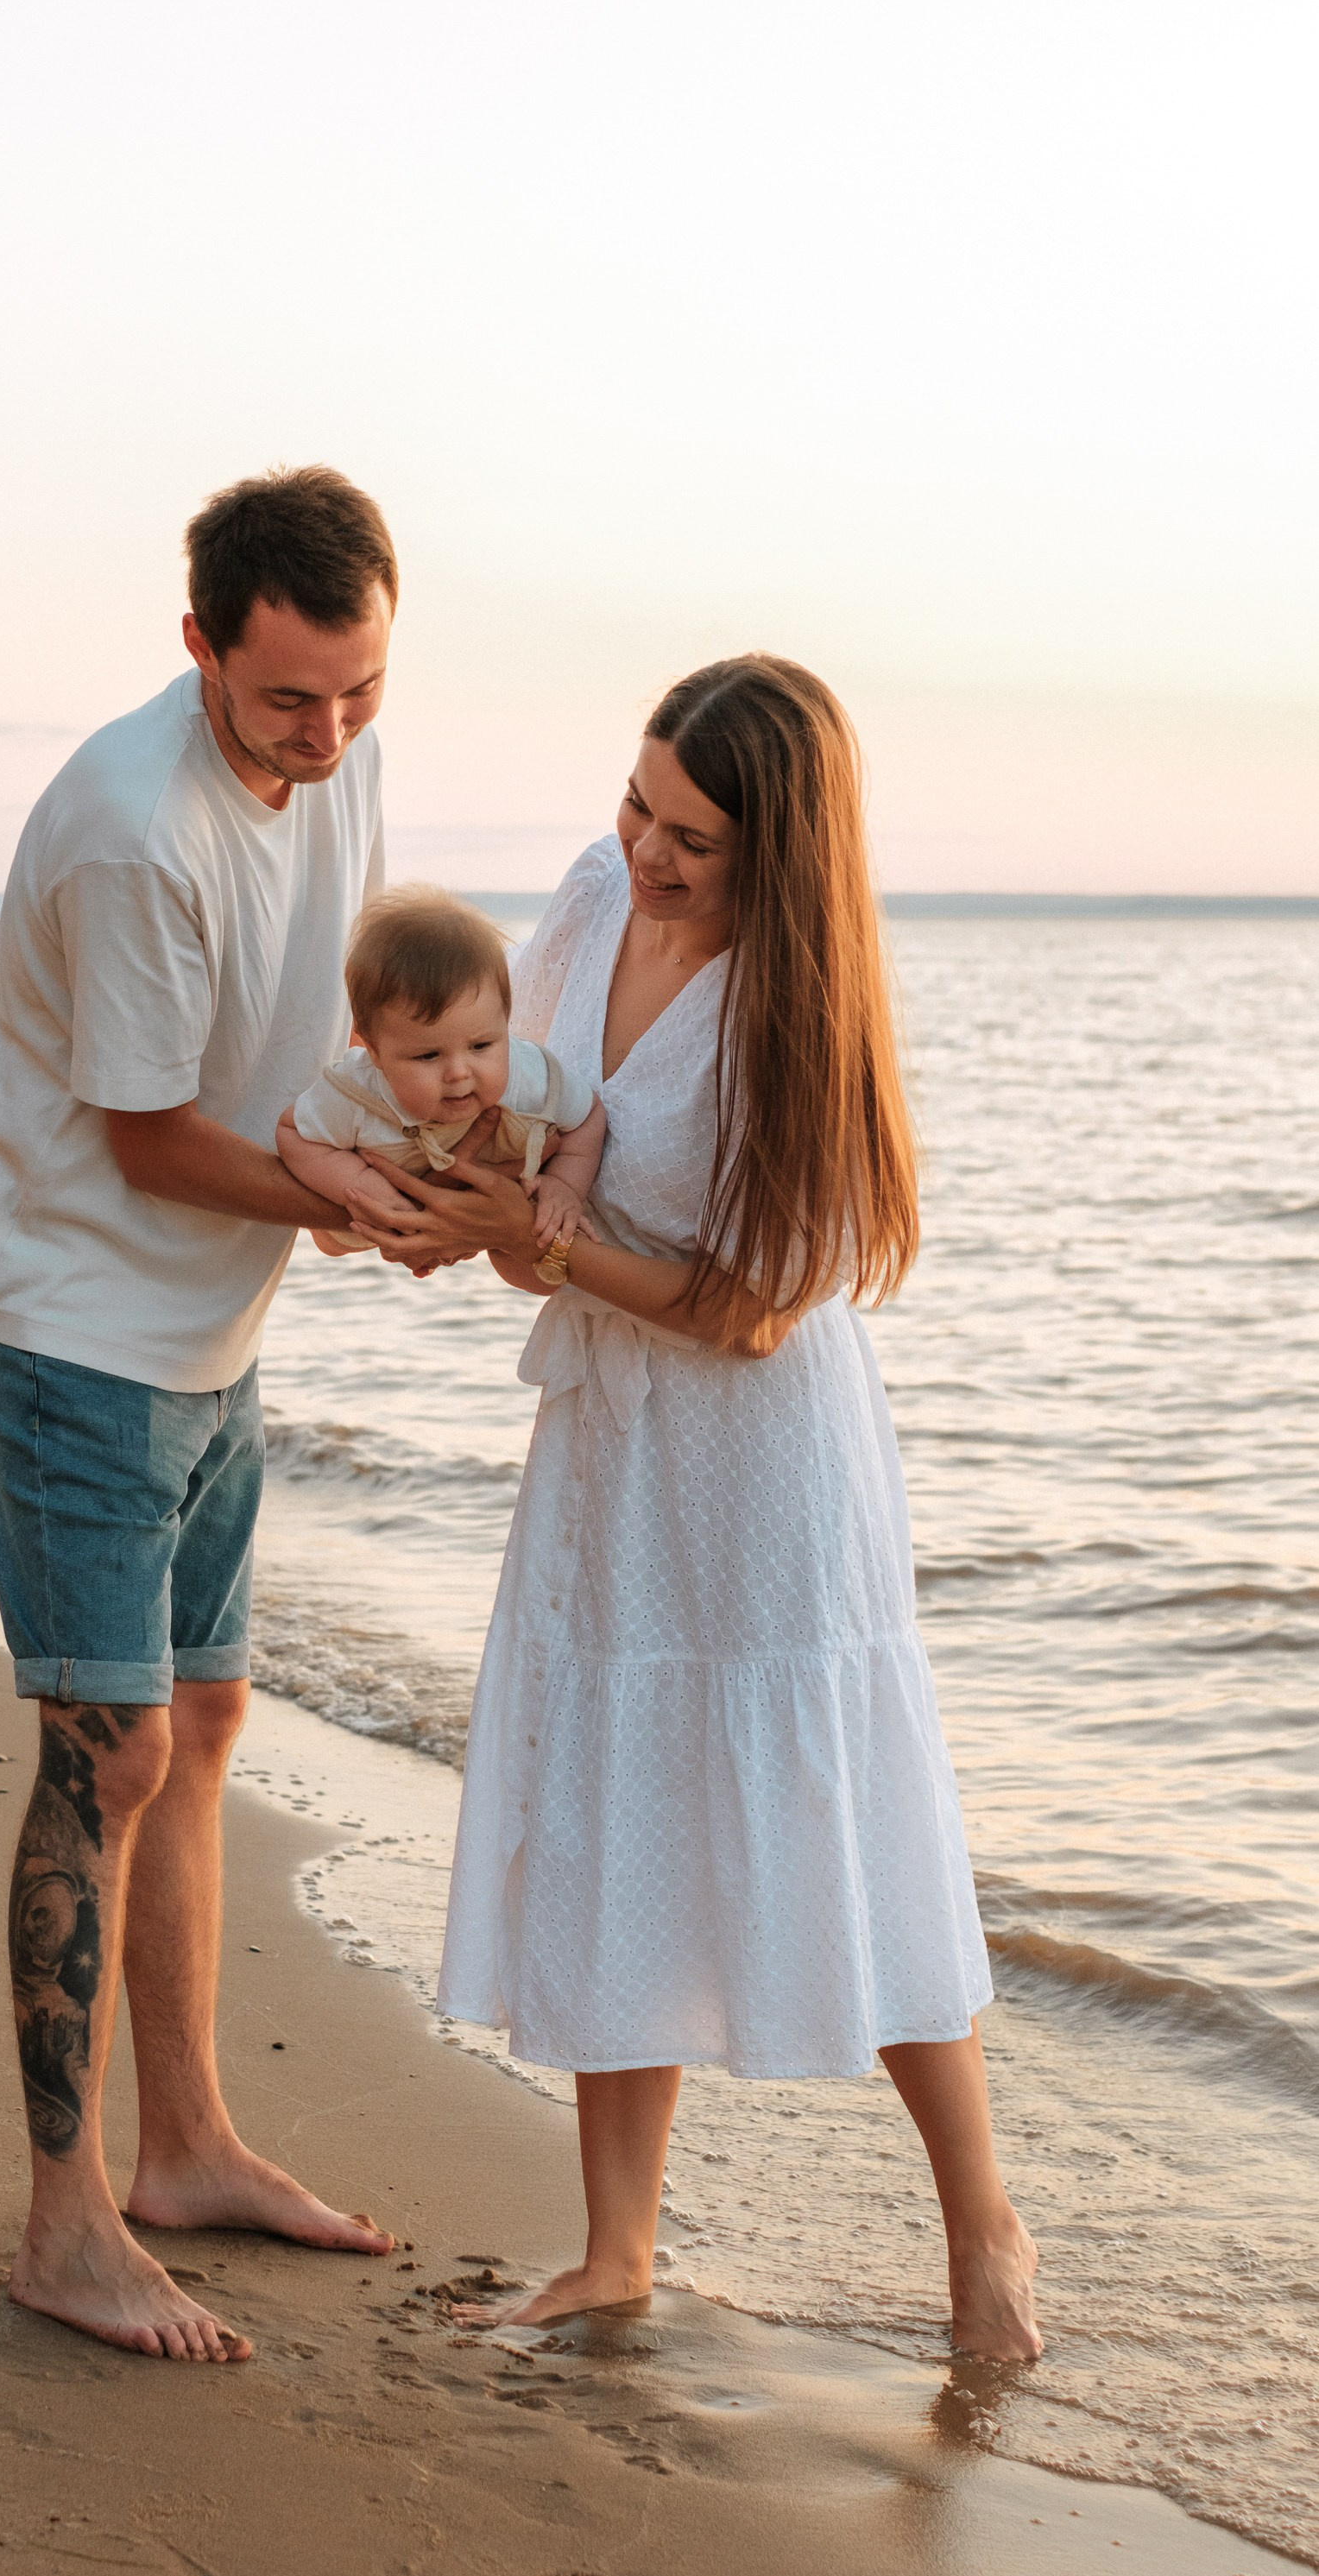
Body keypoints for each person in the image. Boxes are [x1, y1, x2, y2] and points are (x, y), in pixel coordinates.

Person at [358, 654, 1043, 2363]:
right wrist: (428, 1185)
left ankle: (984, 2230)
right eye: (636, 803)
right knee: (608, 1809)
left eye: (687, 837)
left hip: (752, 1467)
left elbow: (748, 1307)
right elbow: (516, 1100)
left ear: (776, 856)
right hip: (604, 1440)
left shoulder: (790, 1021)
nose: (642, 848)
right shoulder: (594, 895)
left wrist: (538, 1247)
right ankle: (613, 2247)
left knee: (840, 1834)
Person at [0, 466, 401, 2363]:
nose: (330, 731)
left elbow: (332, 1018)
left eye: (360, 687)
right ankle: (65, 2222)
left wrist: (444, 1138)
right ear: (197, 641)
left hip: (208, 1330)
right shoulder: (131, 826)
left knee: (201, 1721)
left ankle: (187, 2143)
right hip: (70, 1323)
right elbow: (145, 1131)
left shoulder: (341, 742)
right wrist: (350, 1202)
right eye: (289, 696)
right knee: (100, 1753)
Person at [276, 887, 607, 1258]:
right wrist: (366, 1186)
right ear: (373, 1051)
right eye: (428, 1055)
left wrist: (565, 1185)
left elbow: (589, 1116)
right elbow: (294, 1134)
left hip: (487, 1219)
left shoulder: (530, 1077)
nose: (459, 1072)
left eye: (482, 1046)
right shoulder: (356, 1094)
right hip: (372, 1221)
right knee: (339, 1244)